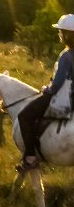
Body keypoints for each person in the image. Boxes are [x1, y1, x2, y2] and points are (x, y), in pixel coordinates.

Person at [16, 14, 74, 172]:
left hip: (63, 98)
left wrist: (47, 89)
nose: (59, 35)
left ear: (67, 35)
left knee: (24, 116)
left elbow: (58, 84)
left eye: (61, 32)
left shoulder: (66, 55)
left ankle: (30, 157)